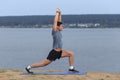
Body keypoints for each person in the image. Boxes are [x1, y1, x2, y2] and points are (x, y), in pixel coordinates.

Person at [25, 8, 78, 74]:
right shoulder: (55, 31)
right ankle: (29, 67)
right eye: (62, 26)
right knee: (44, 64)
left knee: (71, 54)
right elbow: (55, 22)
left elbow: (59, 21)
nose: (62, 27)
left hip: (60, 52)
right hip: (54, 52)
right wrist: (57, 13)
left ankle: (71, 68)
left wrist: (60, 13)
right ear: (58, 27)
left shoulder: (59, 31)